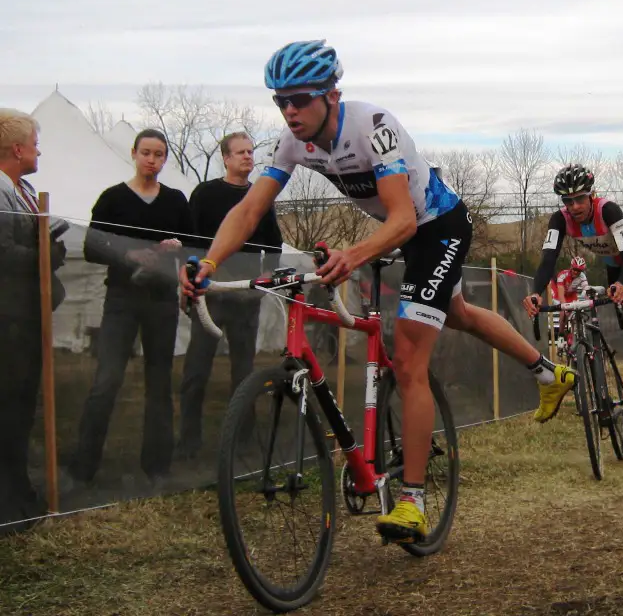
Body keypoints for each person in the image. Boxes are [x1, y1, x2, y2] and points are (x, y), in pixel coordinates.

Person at [180, 39, 576, 544]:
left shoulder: (374, 127)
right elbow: (248, 210)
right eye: (280, 101)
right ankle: (547, 373)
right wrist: (209, 263)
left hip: (436, 225)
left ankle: (411, 502)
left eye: (299, 98)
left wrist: (354, 254)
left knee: (408, 352)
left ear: (332, 94)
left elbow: (405, 219)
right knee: (456, 313)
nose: (290, 110)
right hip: (398, 227)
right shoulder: (291, 142)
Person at [65, 129, 196, 489]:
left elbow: (194, 246)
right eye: (146, 153)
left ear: (165, 159)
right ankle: (82, 467)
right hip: (122, 299)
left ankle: (157, 466)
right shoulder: (113, 199)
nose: (152, 160)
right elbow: (92, 247)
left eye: (159, 154)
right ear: (134, 154)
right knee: (106, 380)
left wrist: (177, 247)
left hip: (161, 301)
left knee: (159, 382)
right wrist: (127, 255)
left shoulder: (175, 201)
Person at [523, 164, 623, 452]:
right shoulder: (559, 220)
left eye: (580, 199)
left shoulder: (608, 210)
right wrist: (536, 292)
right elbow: (548, 259)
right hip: (613, 267)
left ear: (592, 195)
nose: (574, 206)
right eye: (567, 201)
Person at [178, 132, 284, 460]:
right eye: (240, 152)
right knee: (197, 369)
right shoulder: (205, 194)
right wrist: (189, 276)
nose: (248, 157)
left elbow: (275, 246)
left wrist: (266, 280)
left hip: (245, 295)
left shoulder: (260, 198)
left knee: (244, 369)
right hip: (209, 292)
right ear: (225, 157)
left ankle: (244, 440)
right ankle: (189, 442)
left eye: (251, 152)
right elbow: (188, 241)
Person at [0, 110, 66, 533]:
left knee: (22, 410)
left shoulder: (19, 188)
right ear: (19, 149)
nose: (40, 149)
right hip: (7, 320)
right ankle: (8, 505)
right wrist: (45, 256)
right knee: (8, 411)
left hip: (23, 317)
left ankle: (19, 493)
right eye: (36, 142)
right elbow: (2, 253)